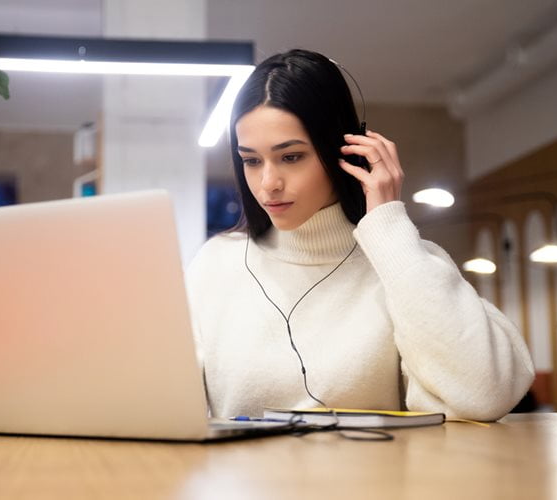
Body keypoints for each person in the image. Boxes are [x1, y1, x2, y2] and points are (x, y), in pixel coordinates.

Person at [186, 49, 534, 421]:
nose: (267, 183)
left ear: (348, 151)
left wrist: (387, 225)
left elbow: (485, 394)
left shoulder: (402, 262)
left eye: (291, 157)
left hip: (373, 480)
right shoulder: (216, 263)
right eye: (252, 161)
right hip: (240, 479)